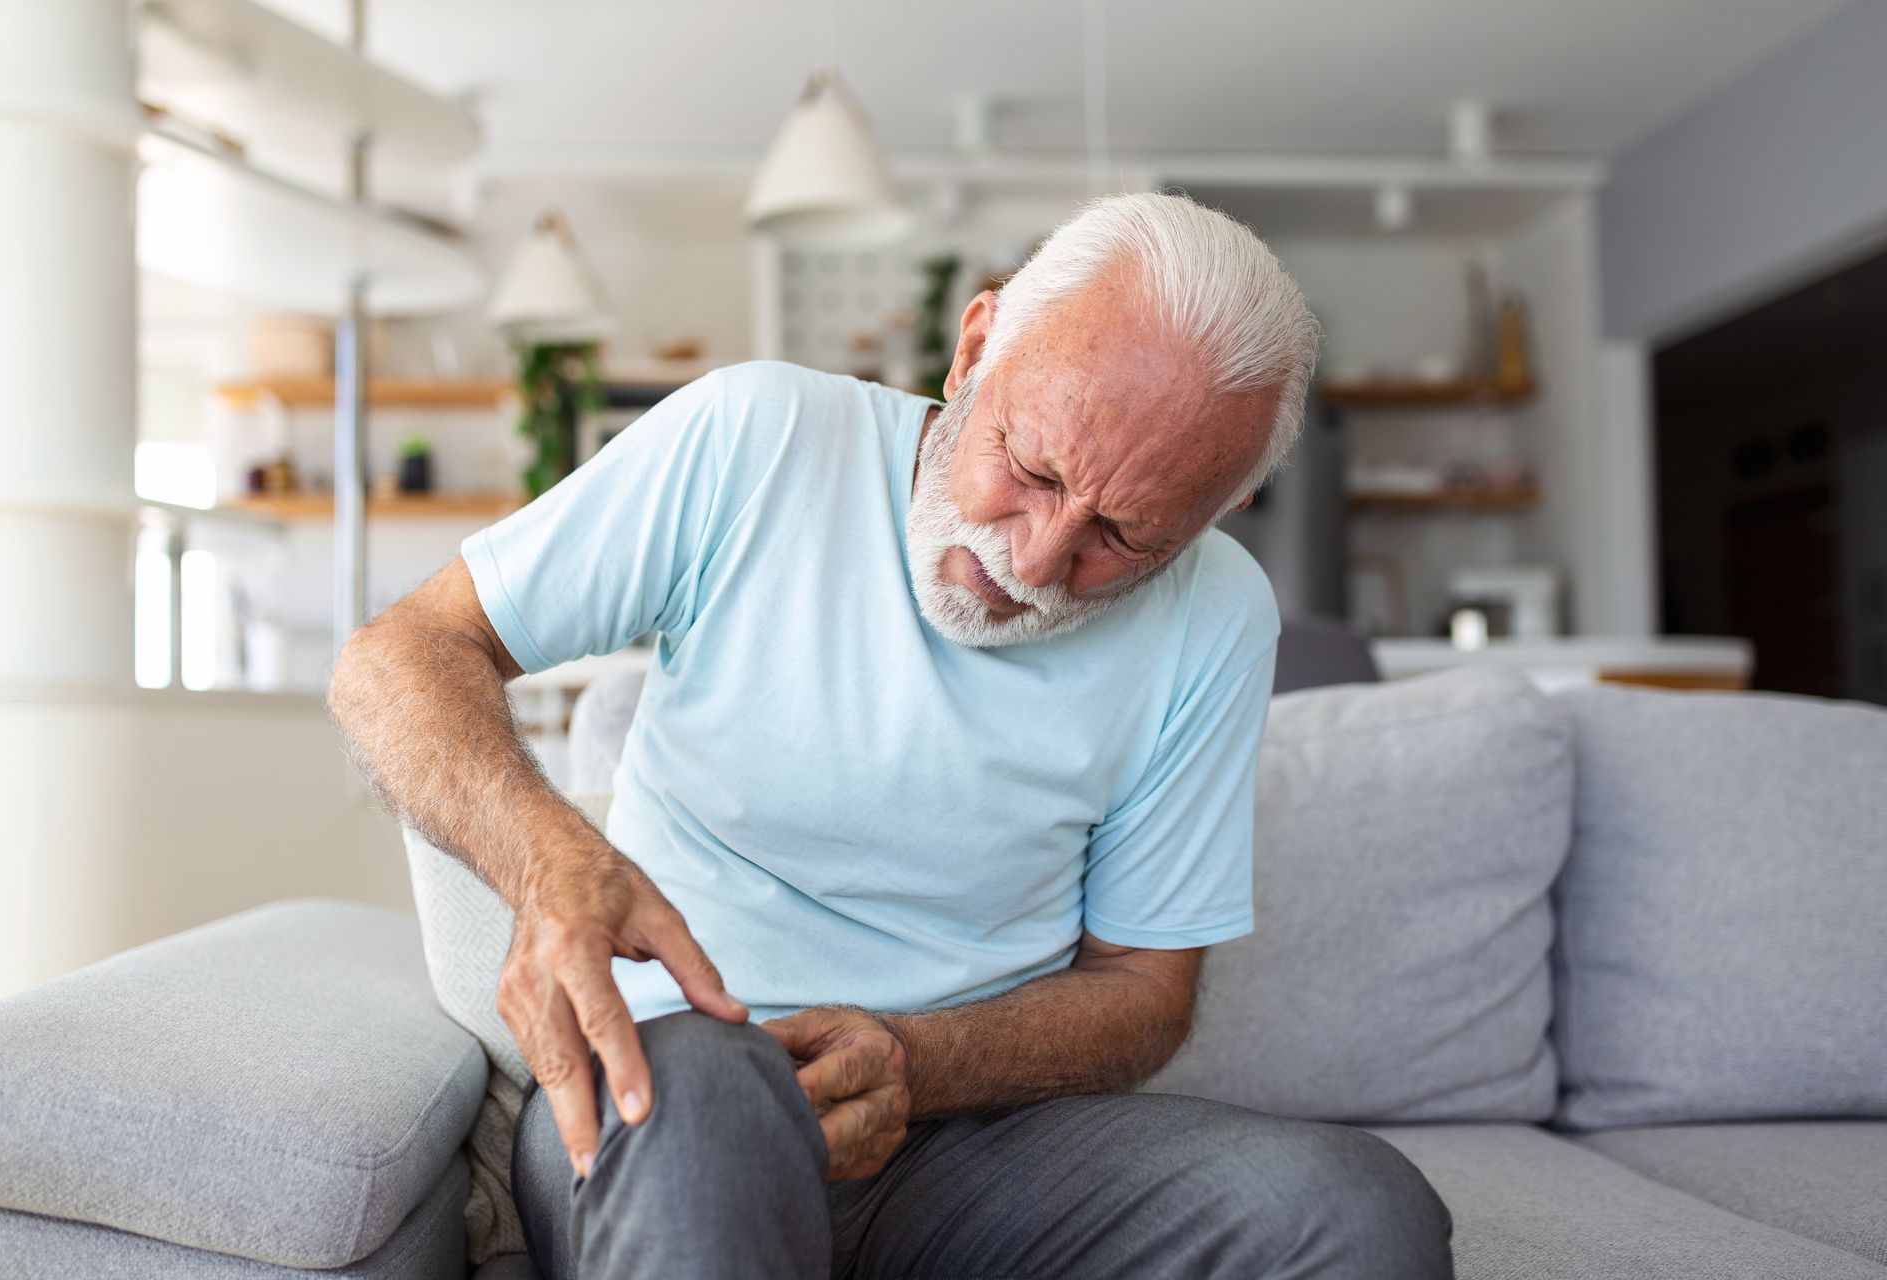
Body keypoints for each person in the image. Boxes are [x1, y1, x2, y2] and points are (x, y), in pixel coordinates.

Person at [329, 192, 1453, 1279]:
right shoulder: (755, 437)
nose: (1038, 559)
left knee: (1355, 1211)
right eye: (1032, 468)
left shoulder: (1219, 615)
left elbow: (1144, 989)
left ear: (1216, 515)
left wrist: (916, 1061)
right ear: (974, 350)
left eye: (1124, 534)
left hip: (966, 1143)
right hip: (673, 1099)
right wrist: (552, 861)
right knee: (715, 1094)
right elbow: (400, 654)